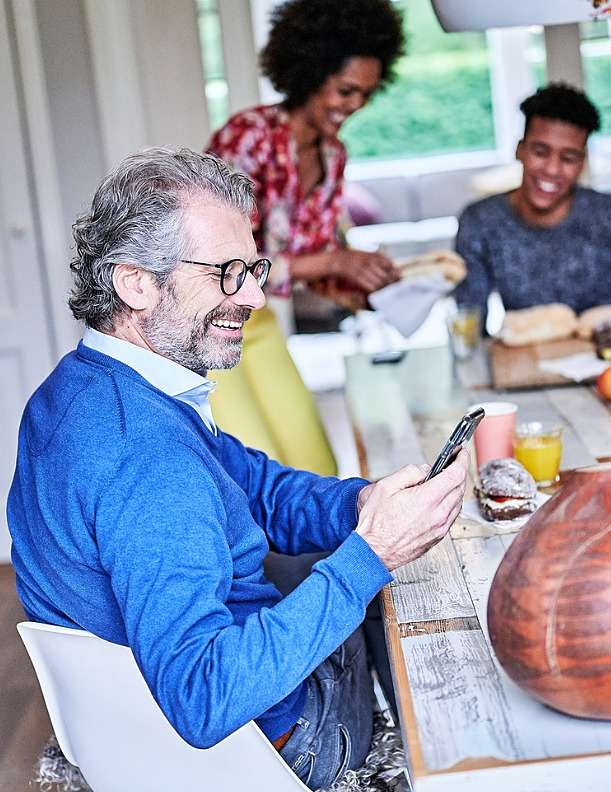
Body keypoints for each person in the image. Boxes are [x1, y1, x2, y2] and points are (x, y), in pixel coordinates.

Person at [7, 147, 470, 791]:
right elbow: (205, 698)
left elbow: (254, 487)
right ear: (136, 283)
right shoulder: (147, 459)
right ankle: (459, 771)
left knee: (352, 559)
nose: (253, 296)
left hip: (132, 728)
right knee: (405, 598)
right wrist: (375, 553)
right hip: (270, 747)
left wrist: (363, 506)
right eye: (228, 272)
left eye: (253, 268)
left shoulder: (84, 387)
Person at [206, 0, 405, 330]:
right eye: (346, 90)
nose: (356, 105)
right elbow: (221, 260)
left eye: (367, 94)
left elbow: (315, 263)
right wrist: (338, 261)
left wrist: (372, 283)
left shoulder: (333, 156)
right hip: (203, 316)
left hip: (253, 316)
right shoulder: (248, 136)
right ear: (310, 75)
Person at [453, 82, 611, 318]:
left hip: (609, 358)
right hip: (526, 358)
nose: (551, 169)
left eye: (568, 158)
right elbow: (470, 321)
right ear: (520, 150)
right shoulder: (480, 221)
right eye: (540, 152)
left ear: (582, 163)